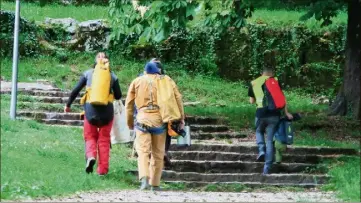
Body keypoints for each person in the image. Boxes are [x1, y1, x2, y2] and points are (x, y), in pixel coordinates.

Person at [125, 61, 184, 190]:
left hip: (142, 120)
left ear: (145, 71)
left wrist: (129, 123)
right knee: (158, 153)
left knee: (143, 152)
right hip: (160, 121)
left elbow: (129, 105)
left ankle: (144, 180)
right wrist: (181, 119)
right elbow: (178, 98)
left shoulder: (137, 81)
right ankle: (155, 184)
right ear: (158, 72)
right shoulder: (166, 80)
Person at [64, 52, 122, 176]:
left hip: (90, 111)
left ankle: (90, 156)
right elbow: (118, 95)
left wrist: (68, 105)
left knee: (90, 137)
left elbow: (75, 90)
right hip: (107, 112)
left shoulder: (88, 73)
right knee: (104, 140)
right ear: (107, 61)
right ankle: (102, 170)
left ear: (95, 61)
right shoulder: (112, 75)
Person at [248, 66, 293, 174]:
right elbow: (282, 98)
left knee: (259, 131)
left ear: (262, 73)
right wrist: (286, 112)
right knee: (269, 140)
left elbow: (251, 101)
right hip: (274, 115)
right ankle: (266, 169)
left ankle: (261, 149)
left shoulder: (254, 82)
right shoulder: (276, 81)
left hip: (260, 113)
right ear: (272, 73)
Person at [133, 58, 172, 167]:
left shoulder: (140, 79)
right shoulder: (164, 80)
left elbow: (134, 99)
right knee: (166, 132)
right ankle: (163, 152)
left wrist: (133, 115)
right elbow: (171, 99)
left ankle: (146, 157)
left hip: (142, 114)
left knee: (145, 136)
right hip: (160, 114)